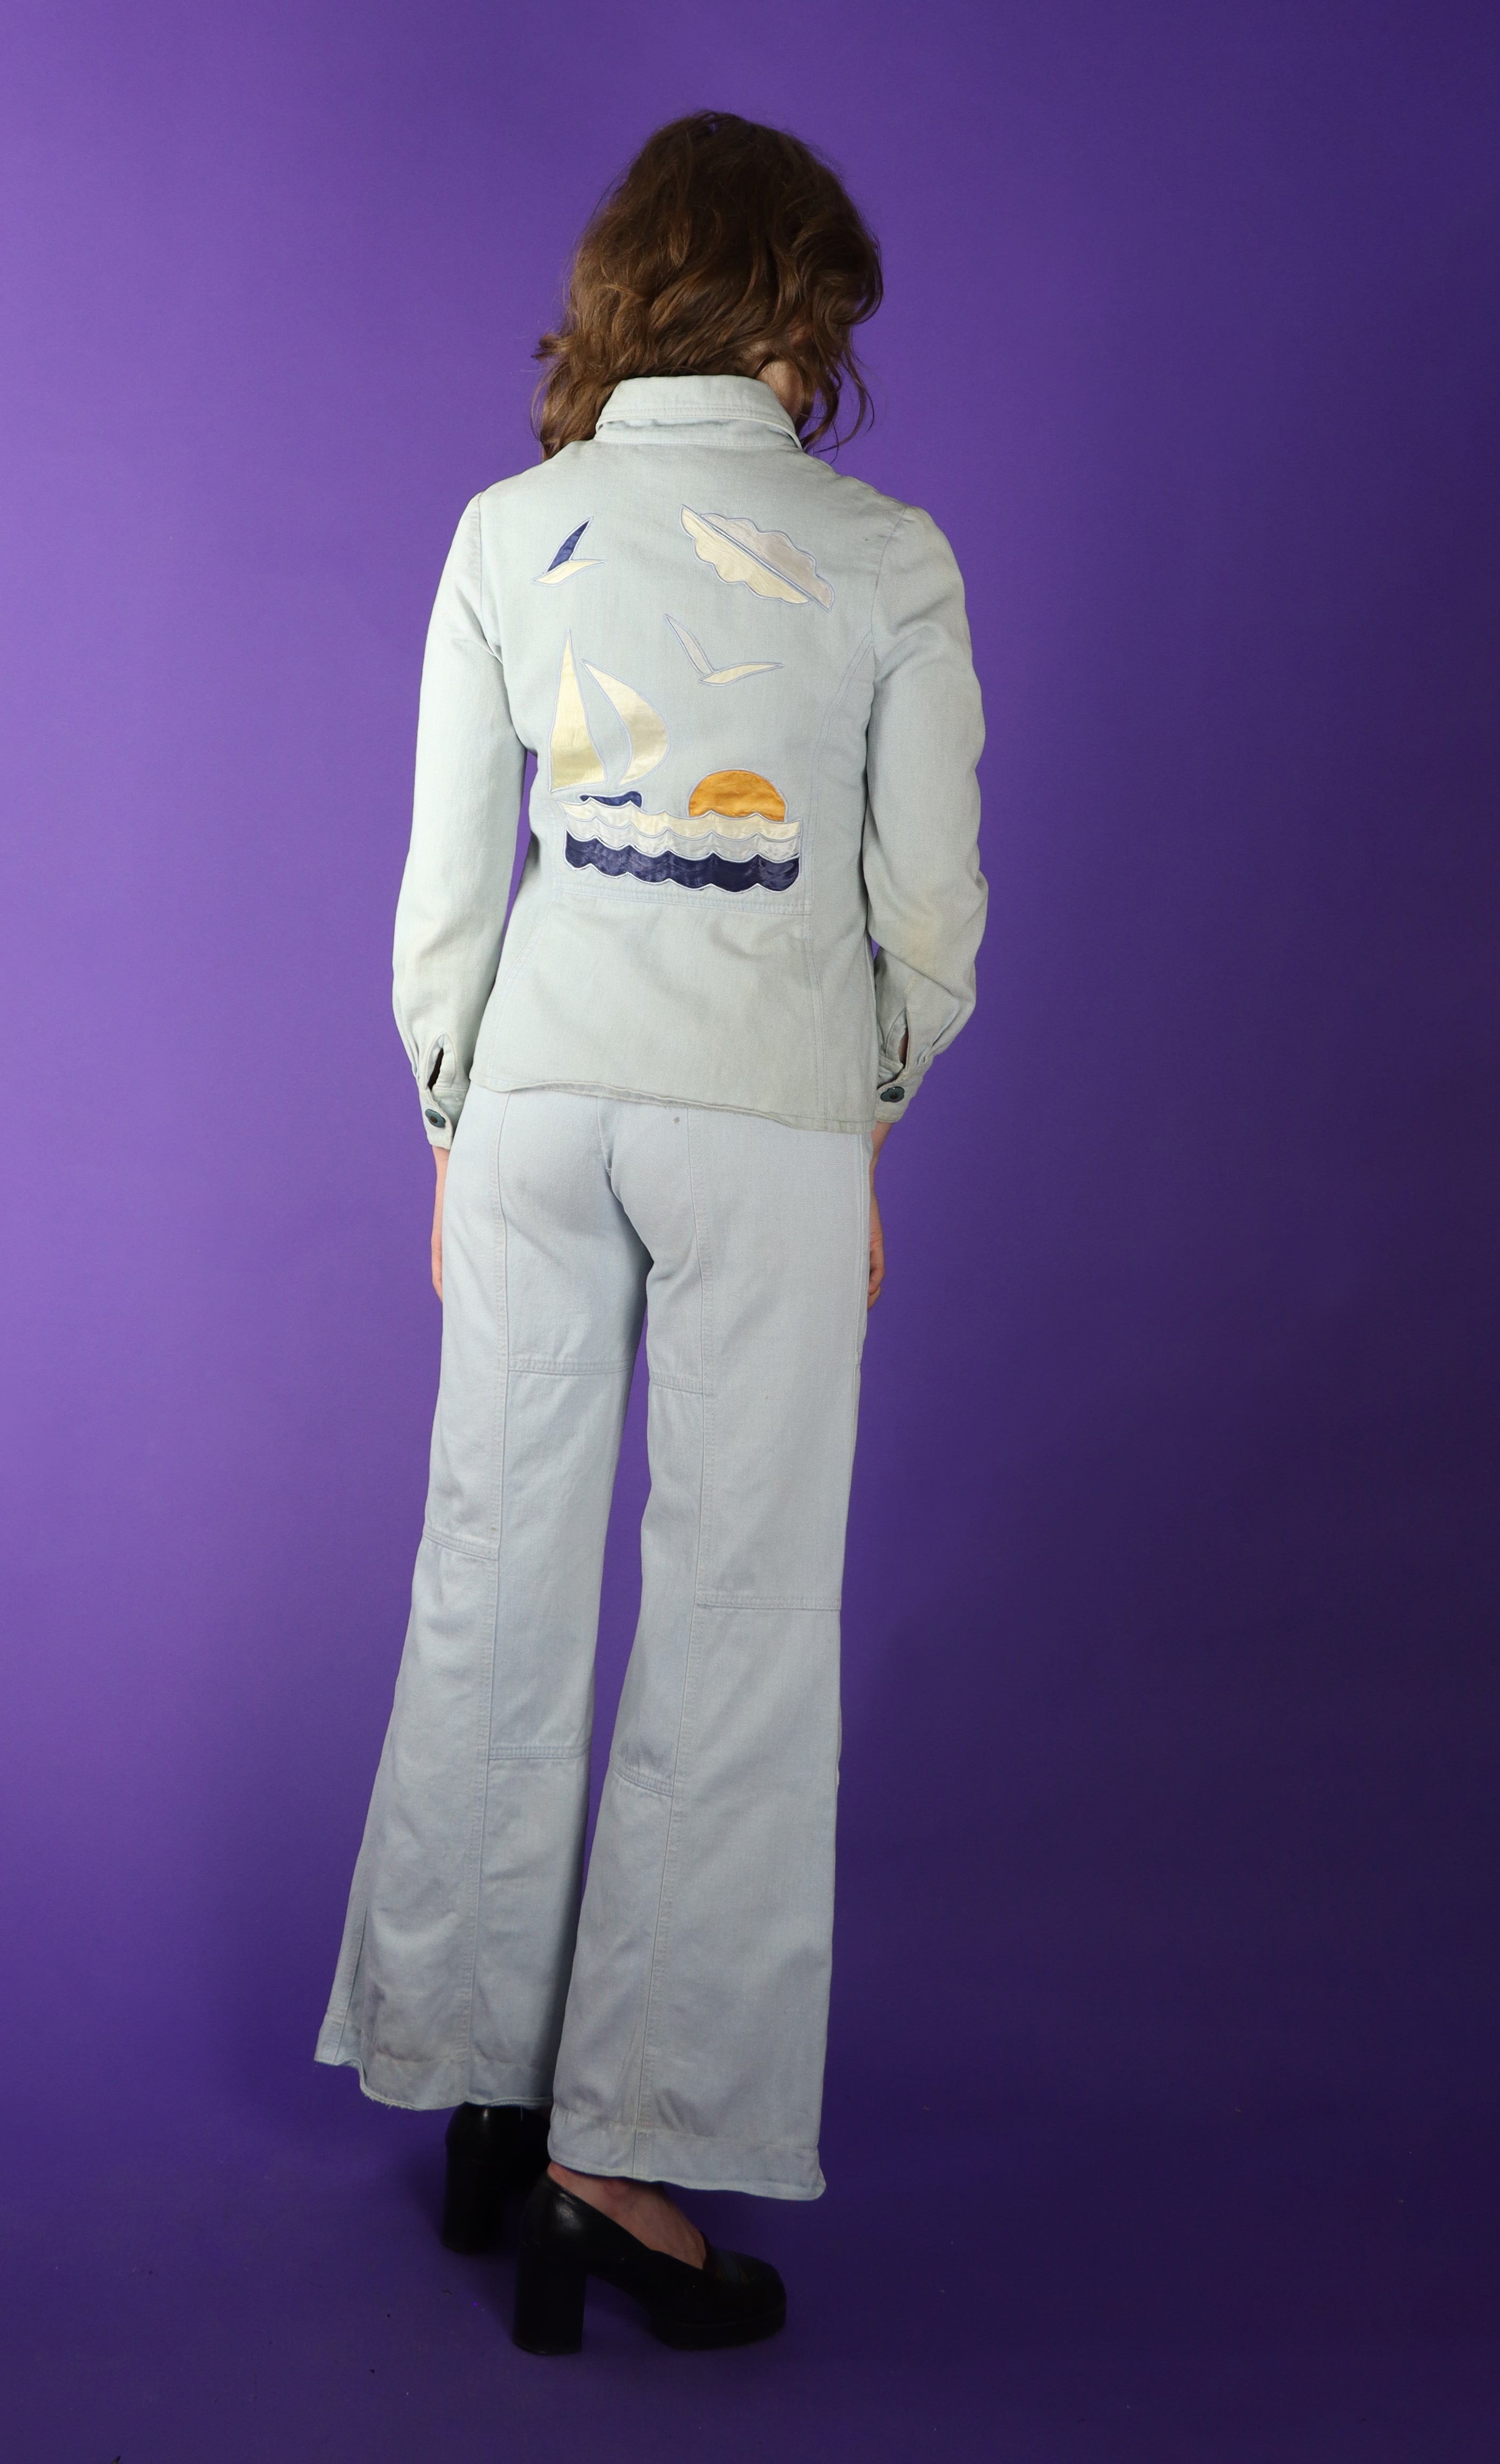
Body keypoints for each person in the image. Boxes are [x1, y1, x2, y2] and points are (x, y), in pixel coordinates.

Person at [315, 110, 986, 2355]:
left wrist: (452, 1116)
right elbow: (926, 910)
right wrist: (853, 1113)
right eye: (827, 321)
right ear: (797, 310)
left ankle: (477, 2086)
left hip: (532, 1100)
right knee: (731, 1616)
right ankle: (615, 2161)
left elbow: (447, 887)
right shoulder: (883, 555)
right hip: (755, 1118)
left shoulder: (508, 532)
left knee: (490, 1574)